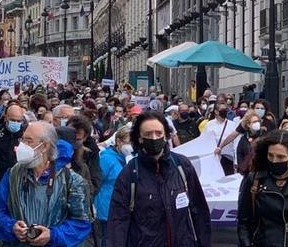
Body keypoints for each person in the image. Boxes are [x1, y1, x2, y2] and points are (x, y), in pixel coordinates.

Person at [107, 111, 210, 247]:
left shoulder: (182, 165)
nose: (154, 138)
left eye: (158, 133)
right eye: (148, 134)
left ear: (165, 135)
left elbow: (199, 210)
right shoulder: (129, 173)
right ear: (139, 138)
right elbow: (118, 221)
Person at [0, 121, 92, 247]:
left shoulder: (71, 180)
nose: (21, 146)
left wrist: (52, 235)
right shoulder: (13, 174)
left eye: (29, 141)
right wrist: (11, 227)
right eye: (22, 140)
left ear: (45, 146)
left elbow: (82, 223)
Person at [95, 124, 130, 244]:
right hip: (106, 209)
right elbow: (98, 182)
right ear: (118, 142)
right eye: (128, 142)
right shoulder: (106, 158)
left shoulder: (128, 158)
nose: (131, 146)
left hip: (121, 208)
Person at [208, 101, 239, 175]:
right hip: (214, 159)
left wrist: (236, 161)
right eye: (222, 110)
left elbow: (236, 143)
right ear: (216, 111)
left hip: (228, 159)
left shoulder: (232, 125)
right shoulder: (209, 125)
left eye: (226, 109)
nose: (224, 111)